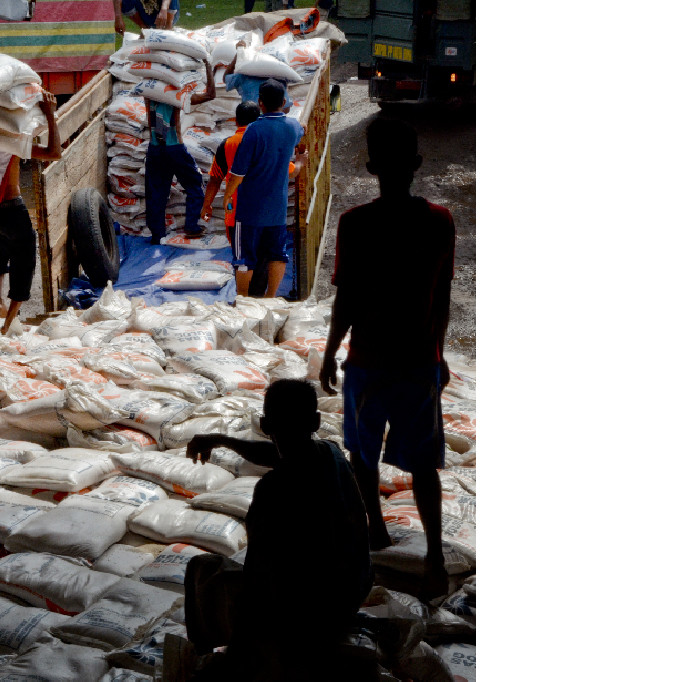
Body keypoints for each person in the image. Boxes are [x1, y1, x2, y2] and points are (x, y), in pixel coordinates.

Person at [319, 117, 456, 602]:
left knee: (362, 452)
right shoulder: (439, 221)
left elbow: (346, 301)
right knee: (424, 466)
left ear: (371, 166)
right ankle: (435, 557)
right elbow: (442, 297)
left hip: (368, 361)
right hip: (417, 362)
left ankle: (374, 528)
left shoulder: (357, 223)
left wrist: (331, 352)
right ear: (417, 164)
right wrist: (437, 355)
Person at [182, 379, 372, 681]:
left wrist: (238, 656)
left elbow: (262, 574)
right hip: (350, 594)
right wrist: (221, 440)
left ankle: (210, 654)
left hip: (303, 615)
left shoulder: (273, 490)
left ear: (264, 424)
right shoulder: (331, 454)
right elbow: (278, 454)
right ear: (317, 421)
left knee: (201, 568)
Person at [0, 90, 62, 335]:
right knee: (25, 257)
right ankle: (7, 324)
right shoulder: (12, 140)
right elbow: (54, 153)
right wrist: (51, 115)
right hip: (12, 209)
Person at [222, 79, 304, 297]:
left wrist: (227, 196)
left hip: (249, 210)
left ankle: (243, 301)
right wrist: (302, 161)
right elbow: (301, 129)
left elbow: (238, 175)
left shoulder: (253, 131)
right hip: (277, 209)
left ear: (260, 103)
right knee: (277, 254)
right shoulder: (292, 127)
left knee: (244, 259)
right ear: (284, 101)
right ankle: (270, 298)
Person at [200, 101, 304, 250]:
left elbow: (215, 180)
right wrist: (300, 162)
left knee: (243, 261)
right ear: (259, 119)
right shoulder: (267, 141)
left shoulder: (227, 145)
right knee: (265, 257)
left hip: (237, 214)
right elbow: (290, 171)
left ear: (235, 121)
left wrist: (207, 205)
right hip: (267, 212)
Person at [144, 58, 221, 244]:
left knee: (156, 192)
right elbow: (210, 95)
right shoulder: (178, 95)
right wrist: (209, 67)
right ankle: (192, 226)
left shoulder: (148, 93)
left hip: (155, 149)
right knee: (195, 184)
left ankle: (157, 235)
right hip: (175, 148)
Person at [113, 0, 178, 33]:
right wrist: (118, 18)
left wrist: (164, 8)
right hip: (145, 15)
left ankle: (168, 27)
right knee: (126, 2)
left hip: (165, 12)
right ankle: (144, 28)